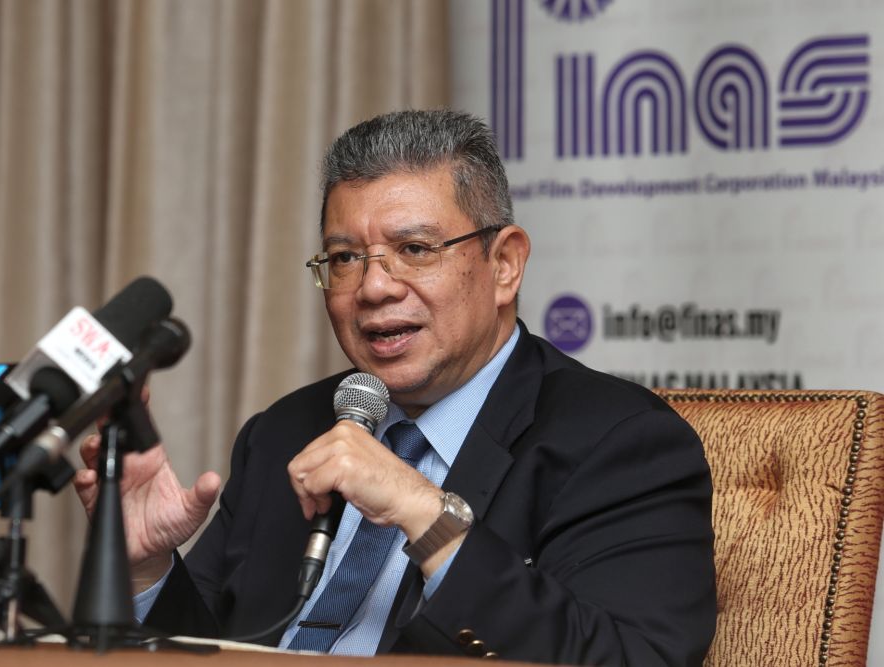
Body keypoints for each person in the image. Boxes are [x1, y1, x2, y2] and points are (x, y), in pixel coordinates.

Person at [74, 109, 716, 665]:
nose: (374, 287)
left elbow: (632, 659)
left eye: (414, 249)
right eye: (346, 258)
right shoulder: (286, 432)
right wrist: (144, 567)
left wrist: (425, 514)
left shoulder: (620, 443)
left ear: (504, 264)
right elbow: (215, 651)